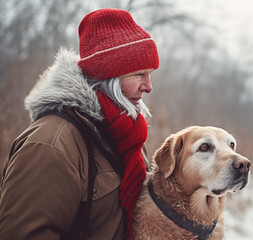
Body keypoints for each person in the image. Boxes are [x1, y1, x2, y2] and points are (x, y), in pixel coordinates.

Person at [0, 8, 159, 240]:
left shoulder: (125, 134)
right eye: (139, 74)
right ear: (108, 76)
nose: (148, 86)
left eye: (150, 74)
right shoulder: (50, 144)